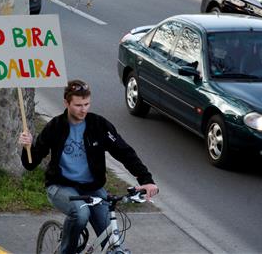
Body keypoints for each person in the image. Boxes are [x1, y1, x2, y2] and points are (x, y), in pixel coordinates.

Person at [19, 80, 159, 254]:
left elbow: (125, 152)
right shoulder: (55, 127)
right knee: (81, 214)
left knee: (112, 242)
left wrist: (146, 180)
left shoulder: (98, 125)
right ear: (66, 103)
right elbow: (30, 164)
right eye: (78, 105)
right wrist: (28, 147)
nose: (83, 109)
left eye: (86, 104)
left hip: (92, 188)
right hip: (61, 186)